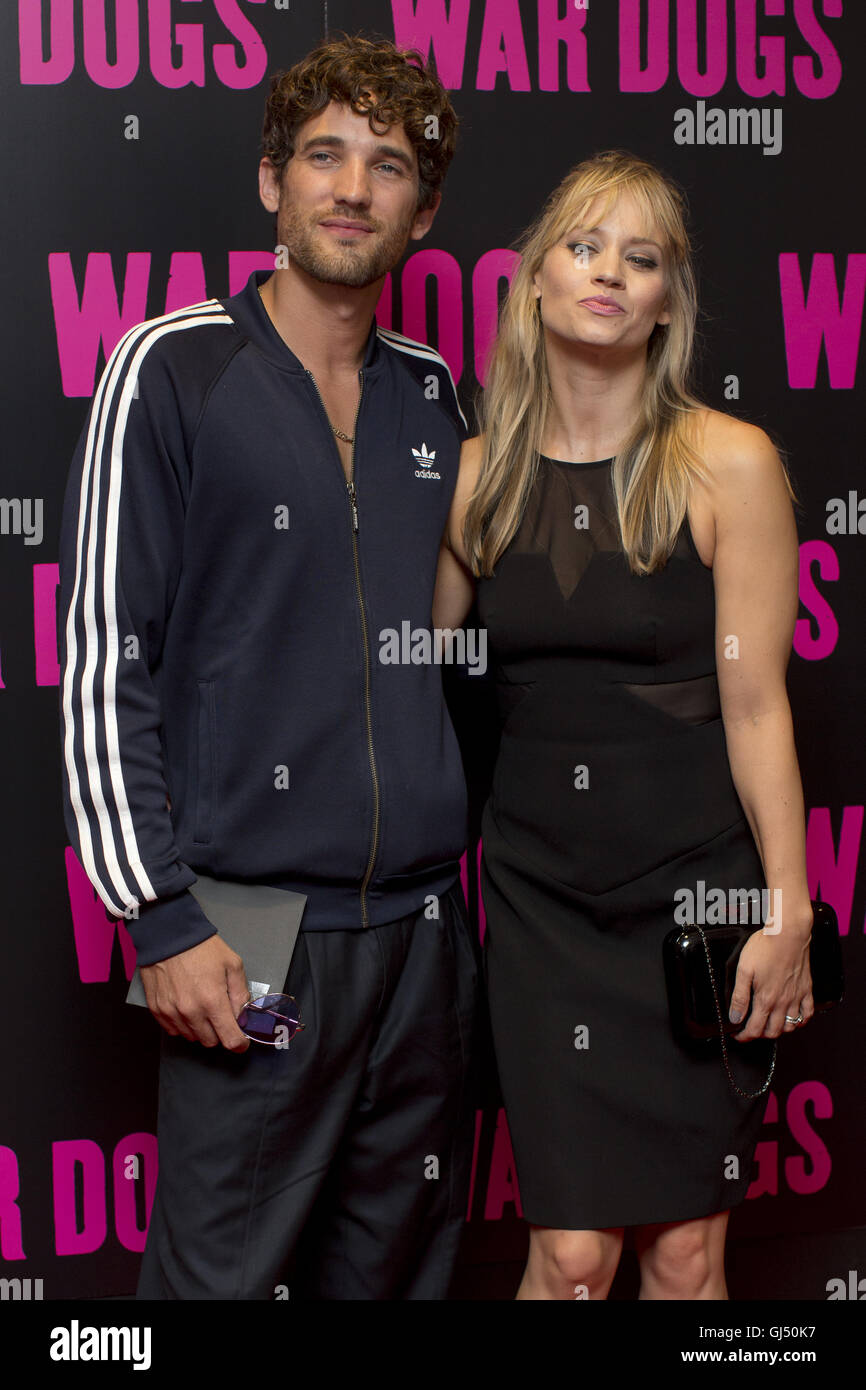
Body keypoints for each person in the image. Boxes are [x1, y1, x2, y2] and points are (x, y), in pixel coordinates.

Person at [58, 33, 480, 1300]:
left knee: (399, 1279)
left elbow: (461, 663)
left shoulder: (434, 394)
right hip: (246, 928)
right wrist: (161, 914)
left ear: (424, 209)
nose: (353, 188)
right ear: (270, 183)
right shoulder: (172, 365)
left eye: (388, 165)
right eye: (323, 156)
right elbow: (101, 664)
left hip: (419, 941)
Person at [433, 150, 814, 1300]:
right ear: (533, 281)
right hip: (544, 908)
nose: (608, 272)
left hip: (693, 902)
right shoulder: (470, 483)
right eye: (583, 245)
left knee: (688, 1253)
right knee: (570, 1255)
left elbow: (754, 704)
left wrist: (788, 907)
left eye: (638, 257)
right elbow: (404, 677)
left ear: (664, 300)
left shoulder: (726, 464)